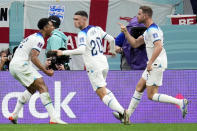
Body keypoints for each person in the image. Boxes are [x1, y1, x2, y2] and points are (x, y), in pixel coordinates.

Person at [117, 6, 189, 124]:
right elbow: (135, 43)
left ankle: (180, 102)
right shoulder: (148, 31)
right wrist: (125, 32)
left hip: (156, 64)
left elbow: (159, 46)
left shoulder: (153, 30)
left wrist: (150, 62)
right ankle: (127, 115)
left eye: (139, 14)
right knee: (139, 87)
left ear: (145, 16)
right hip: (153, 63)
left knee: (151, 95)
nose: (137, 16)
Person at [55, 10, 126, 118]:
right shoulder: (97, 29)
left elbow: (82, 50)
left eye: (77, 19)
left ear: (84, 19)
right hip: (103, 64)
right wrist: (111, 51)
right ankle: (122, 113)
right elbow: (111, 39)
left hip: (94, 66)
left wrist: (63, 52)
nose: (75, 22)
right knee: (104, 89)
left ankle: (124, 112)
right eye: (74, 19)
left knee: (101, 94)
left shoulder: (82, 33)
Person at [8, 18, 66, 124]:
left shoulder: (33, 37)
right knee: (42, 86)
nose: (53, 27)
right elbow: (34, 57)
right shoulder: (39, 39)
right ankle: (54, 117)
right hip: (22, 65)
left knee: (31, 89)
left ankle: (14, 114)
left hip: (14, 66)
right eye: (51, 25)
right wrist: (46, 71)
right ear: (45, 28)